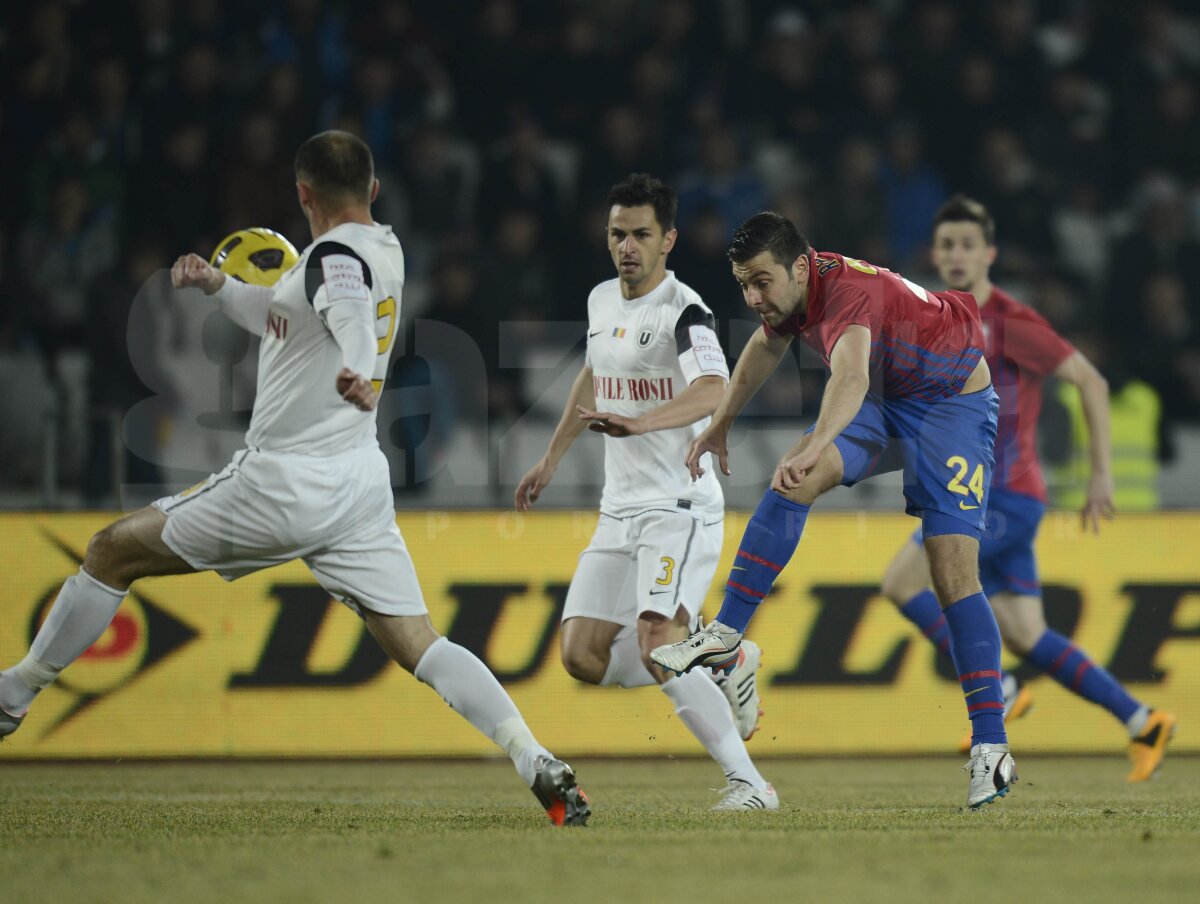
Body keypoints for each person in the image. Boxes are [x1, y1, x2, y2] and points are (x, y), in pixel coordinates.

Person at [0, 130, 589, 828]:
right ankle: (534, 758)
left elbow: (343, 310)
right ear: (371, 190)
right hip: (357, 487)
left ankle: (14, 695)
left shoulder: (334, 257)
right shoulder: (385, 247)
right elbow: (287, 314)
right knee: (419, 642)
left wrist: (358, 363)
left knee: (108, 551)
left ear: (302, 194)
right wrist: (221, 287)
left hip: (282, 483)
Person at [651, 210, 1015, 809]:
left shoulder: (849, 292)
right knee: (793, 480)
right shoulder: (794, 290)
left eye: (761, 282)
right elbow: (766, 346)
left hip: (952, 405)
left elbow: (847, 374)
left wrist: (818, 443)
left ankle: (992, 747)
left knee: (951, 573)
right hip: (888, 395)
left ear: (797, 267)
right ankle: (727, 636)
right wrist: (721, 422)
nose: (752, 296)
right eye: (744, 283)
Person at [878, 197, 1175, 779]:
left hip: (1003, 495)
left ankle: (1002, 688)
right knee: (1026, 632)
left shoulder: (1009, 321)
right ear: (935, 254)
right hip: (990, 495)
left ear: (989, 253)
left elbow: (1088, 378)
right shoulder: (937, 317)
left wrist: (1100, 472)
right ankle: (1143, 720)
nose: (957, 254)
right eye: (947, 245)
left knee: (902, 582)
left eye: (968, 244)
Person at [515, 173, 777, 811]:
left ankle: (751, 785)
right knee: (581, 654)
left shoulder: (684, 311)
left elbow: (713, 389)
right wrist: (551, 455)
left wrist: (638, 422)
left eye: (640, 235)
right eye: (617, 234)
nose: (626, 246)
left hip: (678, 507)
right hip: (619, 509)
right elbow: (591, 374)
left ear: (668, 241)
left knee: (659, 643)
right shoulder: (602, 299)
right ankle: (720, 660)